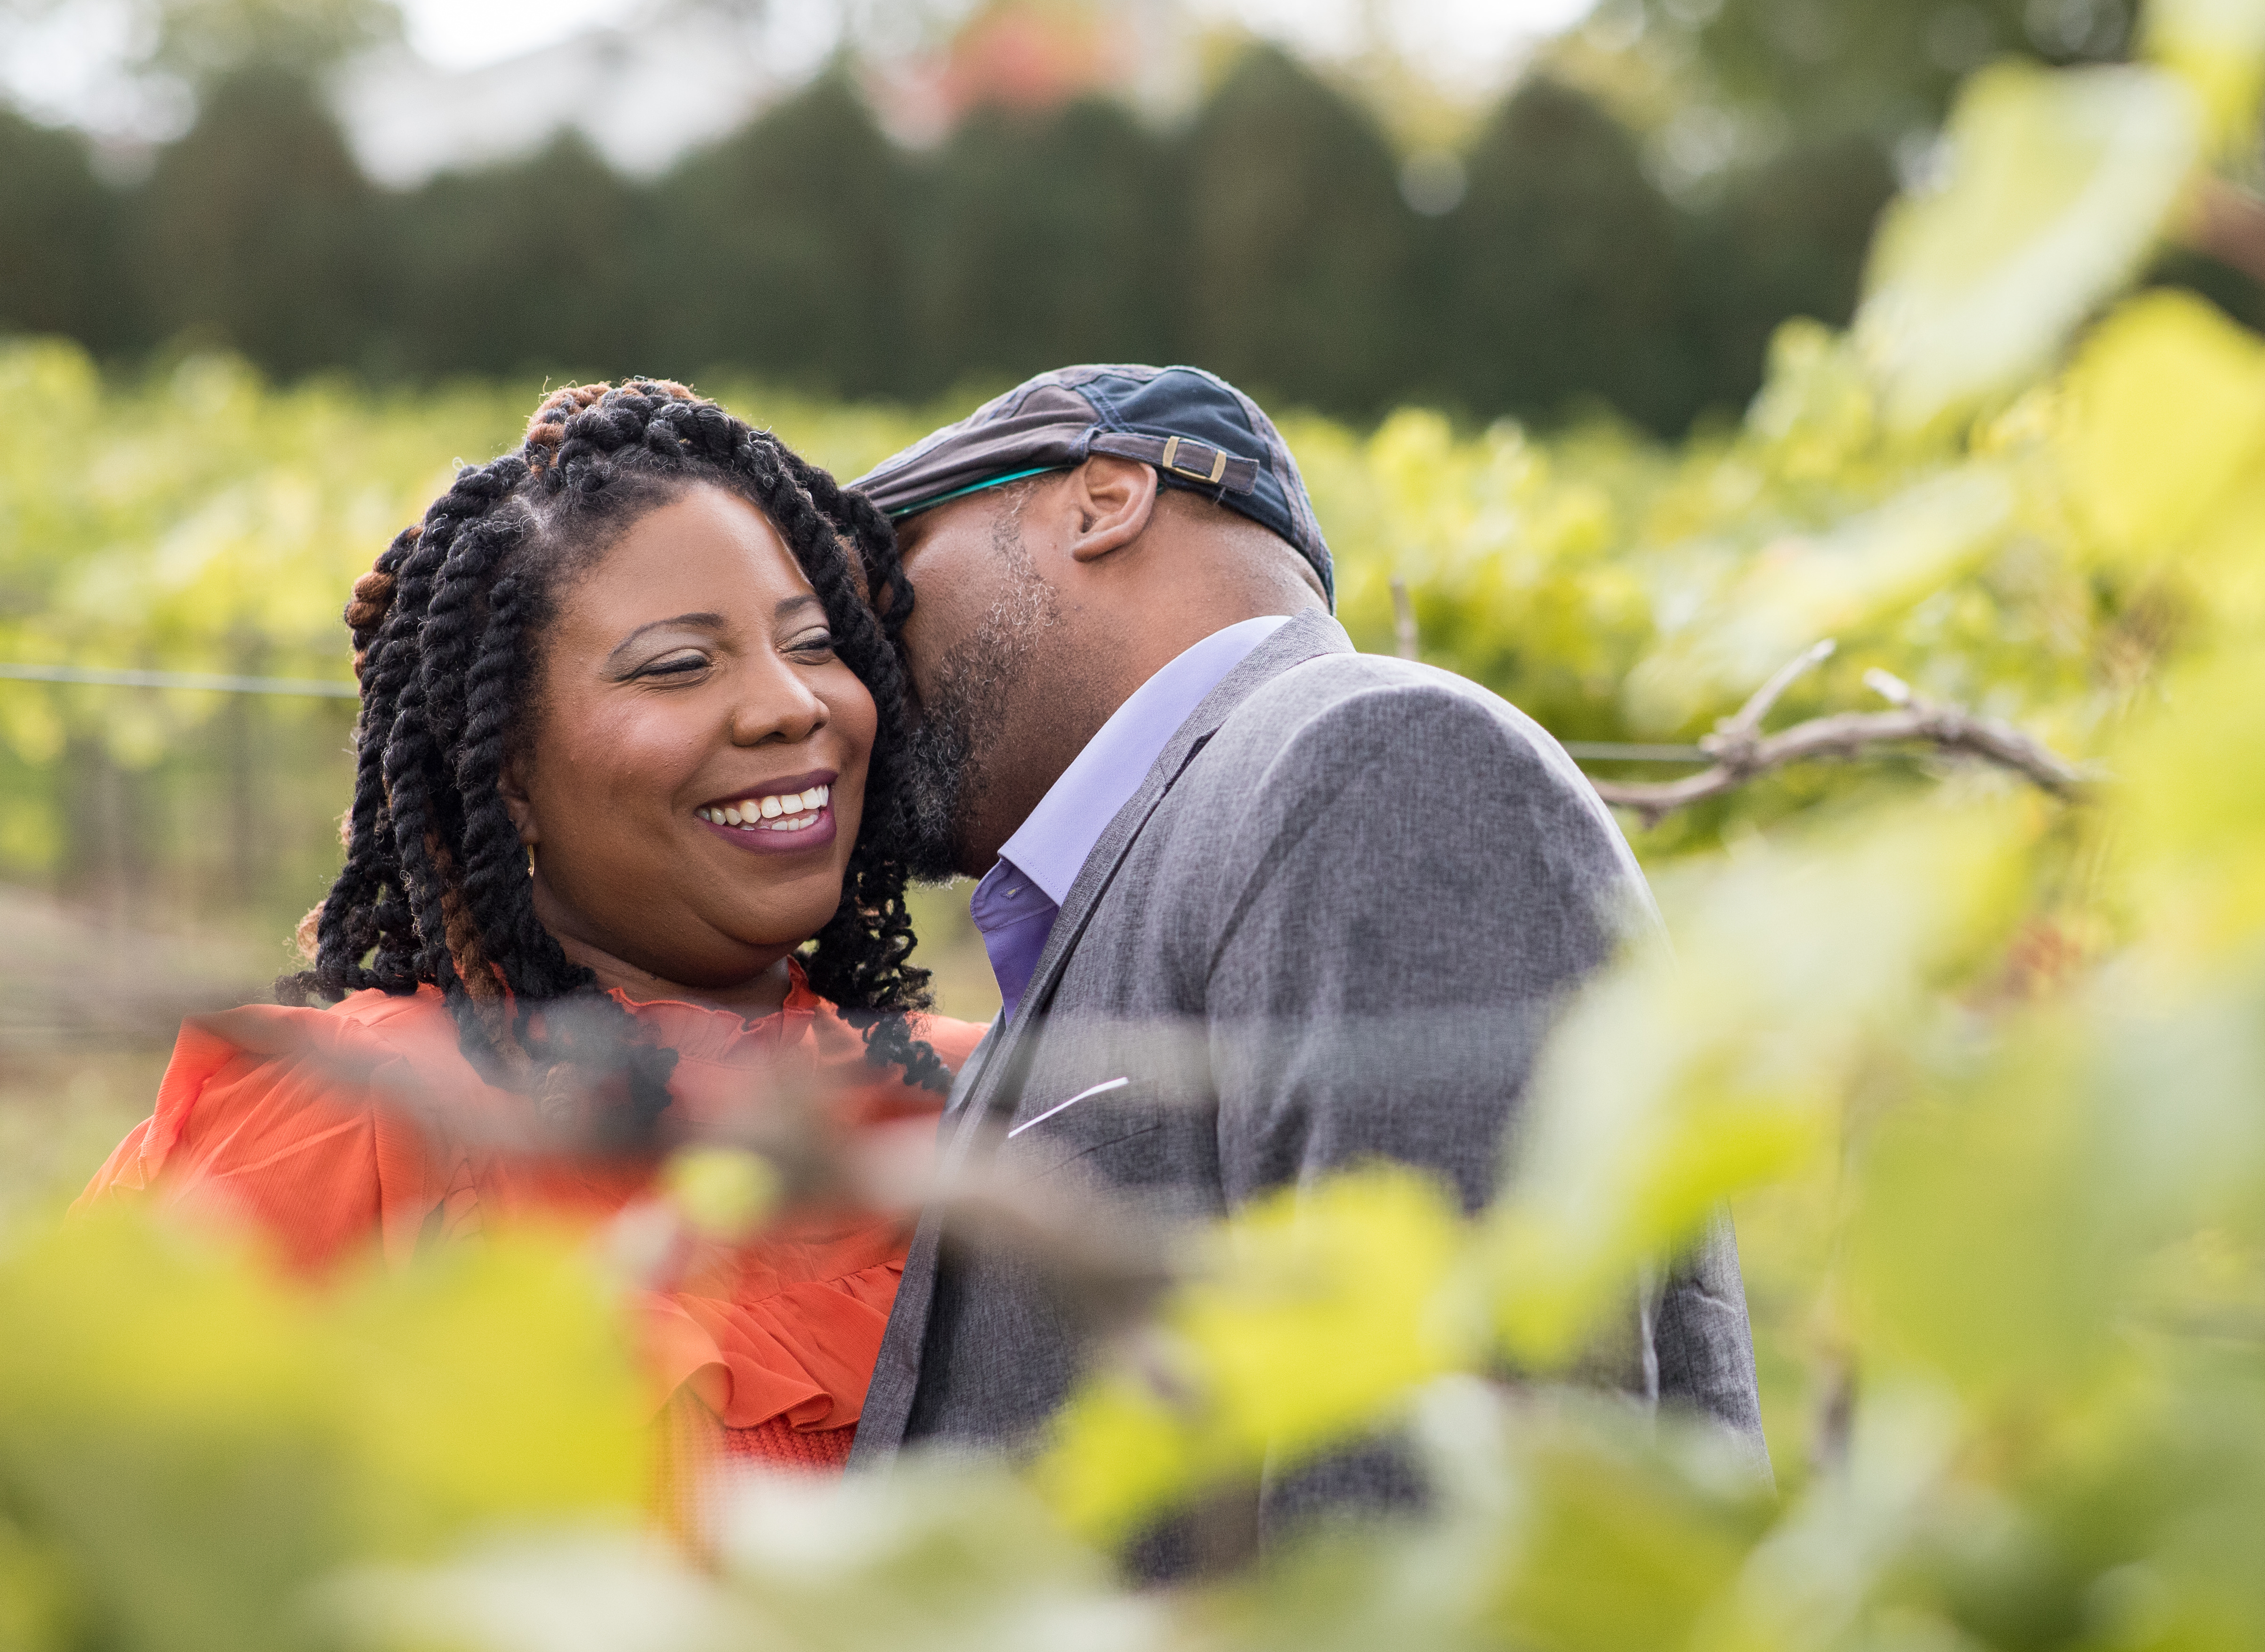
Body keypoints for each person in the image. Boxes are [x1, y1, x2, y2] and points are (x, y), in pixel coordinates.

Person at [849, 363, 1762, 1539]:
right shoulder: (1169, 861)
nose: (859, 660)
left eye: (896, 569)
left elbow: (1448, 1504)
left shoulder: (1372, 761)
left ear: (1103, 499)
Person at [88, 379, 986, 1480]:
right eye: (678, 666)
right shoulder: (349, 1116)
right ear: (504, 773)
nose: (791, 705)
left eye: (811, 646)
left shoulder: (982, 1105)